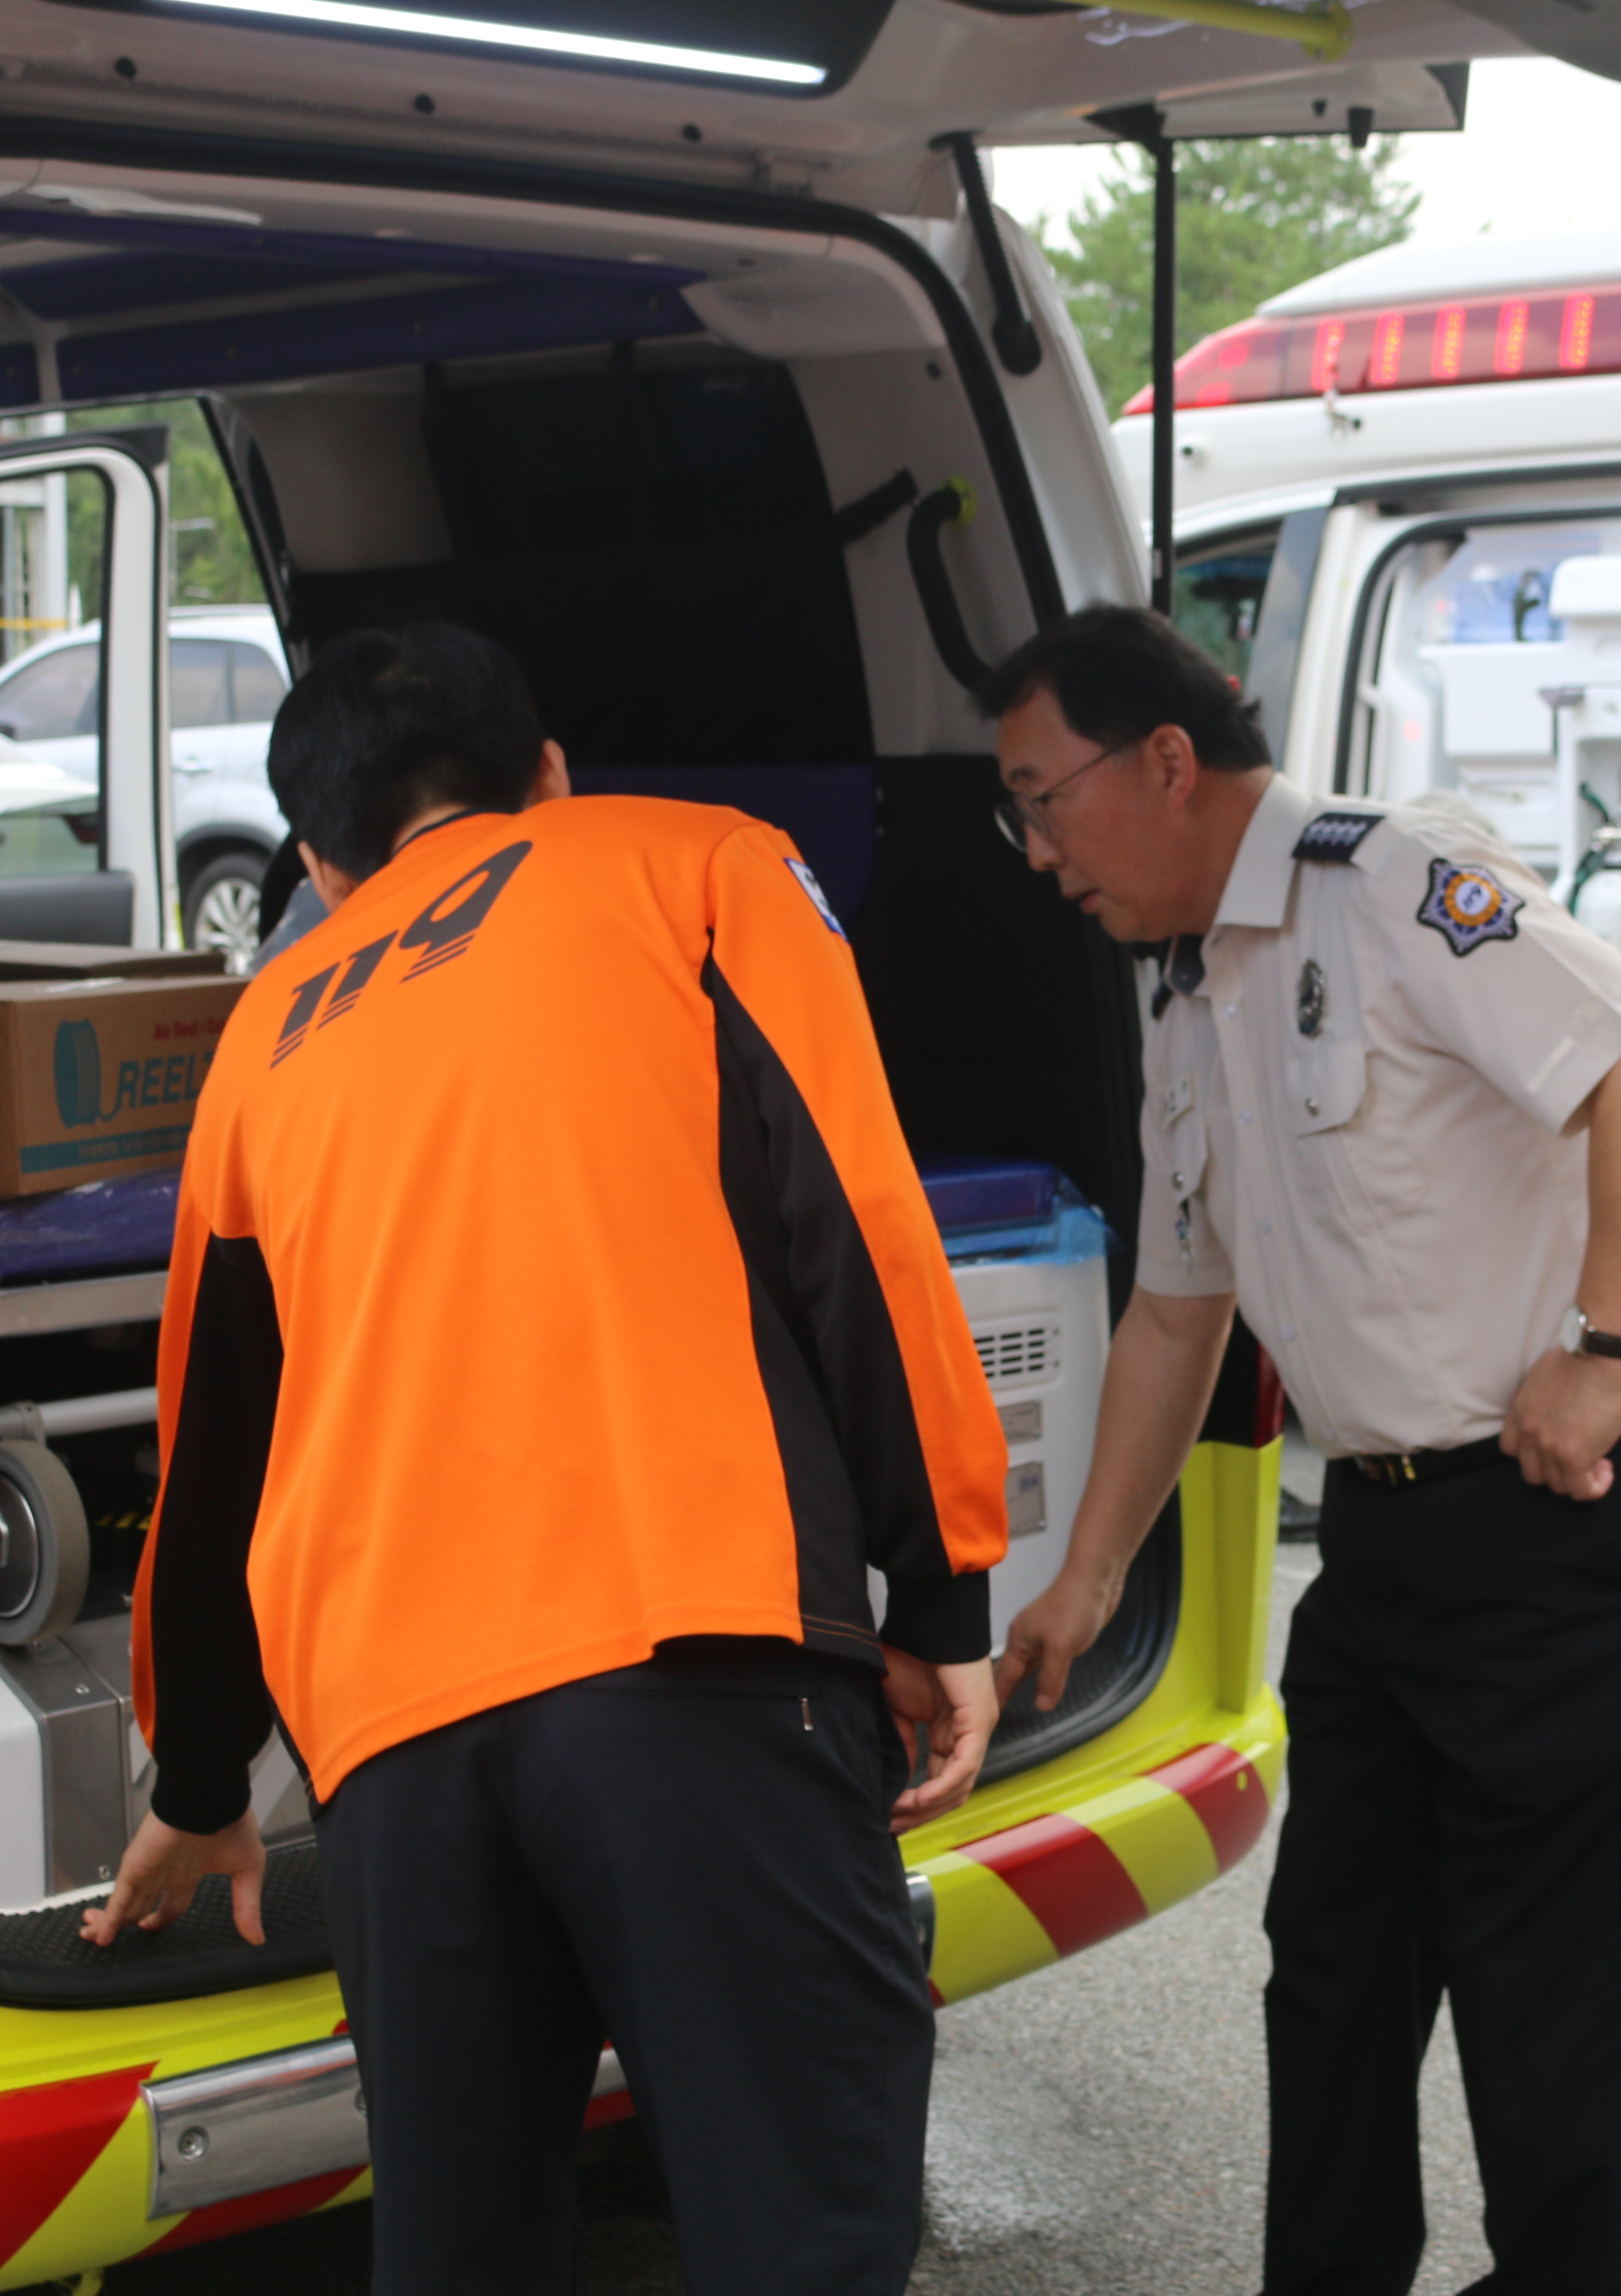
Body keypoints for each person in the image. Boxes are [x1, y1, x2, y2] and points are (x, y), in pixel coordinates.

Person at [84, 621, 1012, 2295]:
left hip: (392, 1745)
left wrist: (203, 1781)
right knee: (797, 2230)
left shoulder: (268, 1029)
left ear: (320, 863)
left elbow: (213, 1441)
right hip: (694, 1655)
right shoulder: (698, 866)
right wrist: (940, 1593)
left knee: (462, 2255)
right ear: (551, 775)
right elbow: (857, 1225)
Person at [980, 606, 1621, 2296]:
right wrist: (1085, 1578)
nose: (1035, 853)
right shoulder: (1188, 993)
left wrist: (1603, 1349)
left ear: (1165, 762)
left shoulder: (1391, 879)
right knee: (1333, 1973)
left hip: (1565, 1501)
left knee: (1556, 1997)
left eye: (1041, 799)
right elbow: (1176, 1315)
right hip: (1390, 1534)